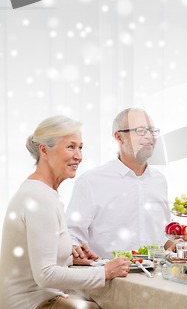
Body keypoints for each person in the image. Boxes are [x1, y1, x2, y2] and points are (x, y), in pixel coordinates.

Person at [0, 115, 130, 309]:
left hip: (42, 298)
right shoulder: (39, 197)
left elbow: (38, 258)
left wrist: (69, 257)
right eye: (71, 147)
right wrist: (105, 272)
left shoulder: (43, 192)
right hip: (32, 304)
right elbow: (45, 275)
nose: (79, 156)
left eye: (80, 147)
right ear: (44, 149)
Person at [66, 108, 171, 258]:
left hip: (154, 278)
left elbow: (161, 233)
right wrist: (75, 250)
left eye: (152, 131)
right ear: (119, 137)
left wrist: (175, 244)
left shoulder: (159, 180)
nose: (149, 136)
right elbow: (72, 236)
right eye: (140, 130)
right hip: (110, 278)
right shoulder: (91, 181)